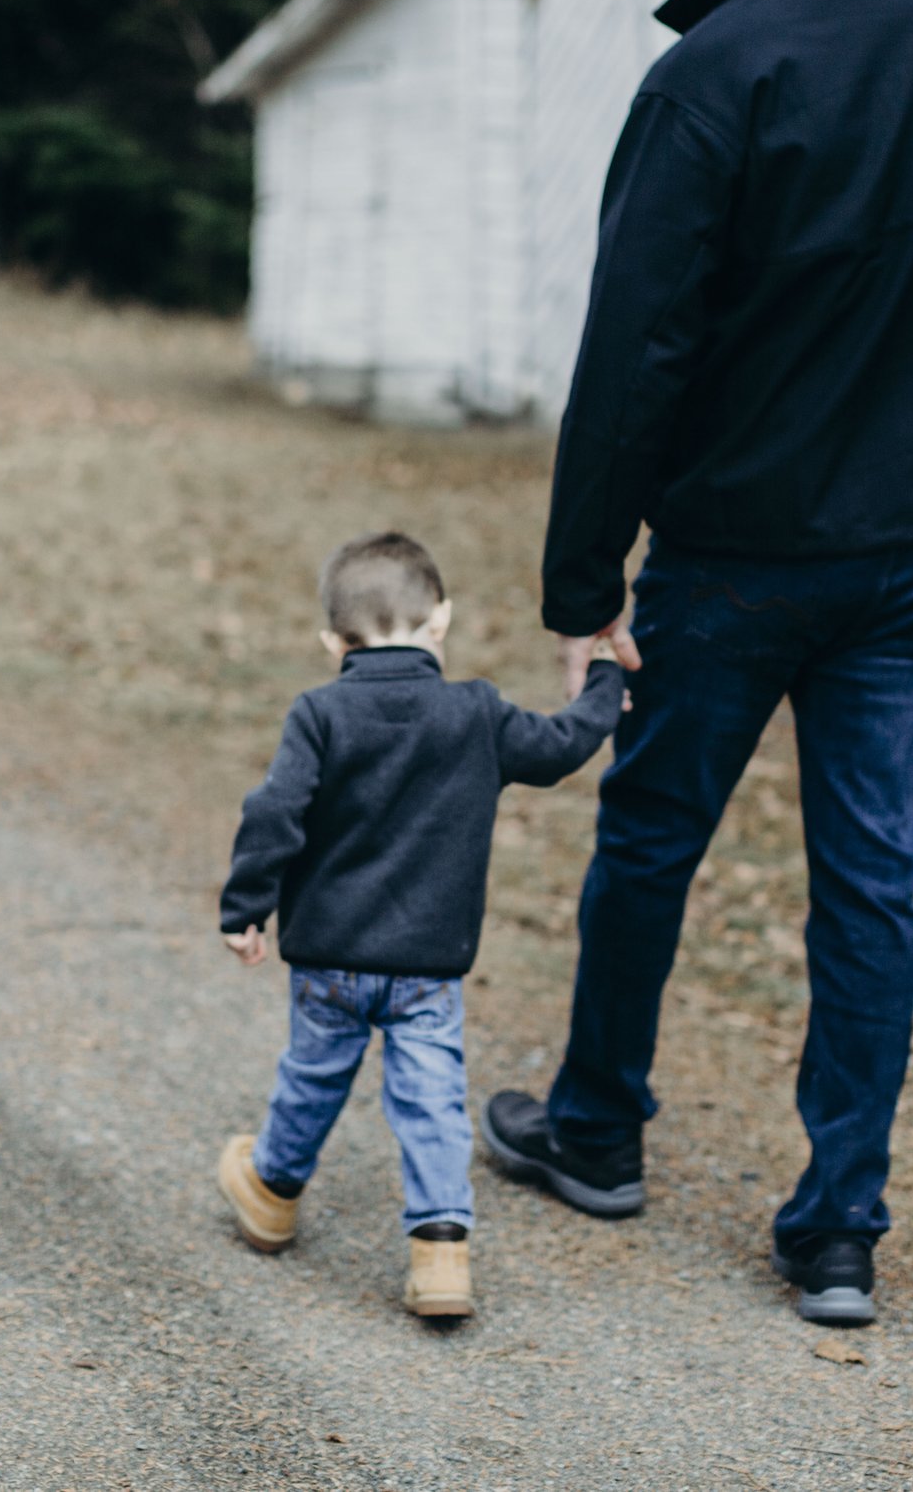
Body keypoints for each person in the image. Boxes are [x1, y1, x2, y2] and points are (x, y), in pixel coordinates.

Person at [478, 0, 913, 1327]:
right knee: (875, 887)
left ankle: (598, 1129)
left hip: (735, 562)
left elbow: (634, 355)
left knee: (653, 837)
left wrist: (582, 589)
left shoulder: (706, 77)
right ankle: (839, 1232)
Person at [213, 532, 626, 1319]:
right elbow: (563, 746)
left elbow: (274, 812)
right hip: (428, 965)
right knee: (432, 1098)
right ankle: (441, 1252)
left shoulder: (320, 711)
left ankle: (270, 1191)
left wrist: (246, 908)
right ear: (441, 619)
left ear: (333, 641)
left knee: (313, 1075)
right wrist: (603, 682)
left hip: (330, 959)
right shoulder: (476, 712)